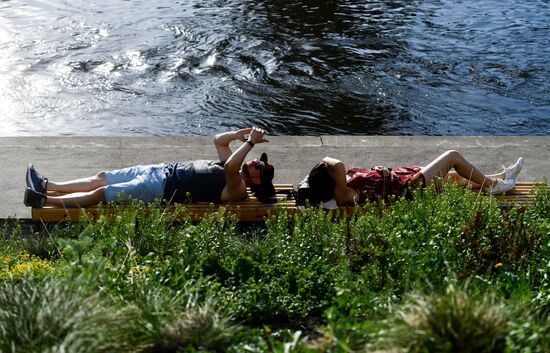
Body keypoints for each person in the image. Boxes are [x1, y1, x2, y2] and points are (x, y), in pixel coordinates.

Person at [24, 127, 275, 208]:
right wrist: (243, 133)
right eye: (259, 161)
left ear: (256, 182)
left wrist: (251, 143)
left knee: (102, 194)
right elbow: (219, 140)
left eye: (260, 168)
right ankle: (48, 185)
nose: (256, 163)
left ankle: (43, 199)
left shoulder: (238, 188)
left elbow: (232, 167)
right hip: (158, 170)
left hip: (159, 188)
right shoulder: (234, 165)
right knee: (101, 178)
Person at [305, 150, 523, 205]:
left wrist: (376, 169)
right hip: (410, 189)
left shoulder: (344, 182)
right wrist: (324, 163)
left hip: (404, 178)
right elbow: (337, 163)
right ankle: (494, 185)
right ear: (330, 178)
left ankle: (501, 177)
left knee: (457, 179)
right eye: (330, 170)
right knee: (452, 156)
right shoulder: (342, 192)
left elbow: (365, 177)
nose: (335, 168)